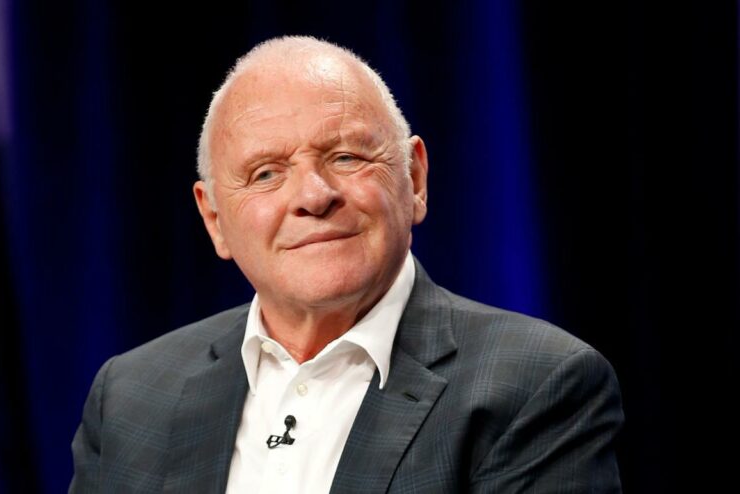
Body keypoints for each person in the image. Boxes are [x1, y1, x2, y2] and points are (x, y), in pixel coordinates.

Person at [70, 36, 623, 493]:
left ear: (415, 179)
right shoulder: (130, 398)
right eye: (266, 173)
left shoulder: (536, 384)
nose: (314, 196)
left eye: (345, 157)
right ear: (215, 219)